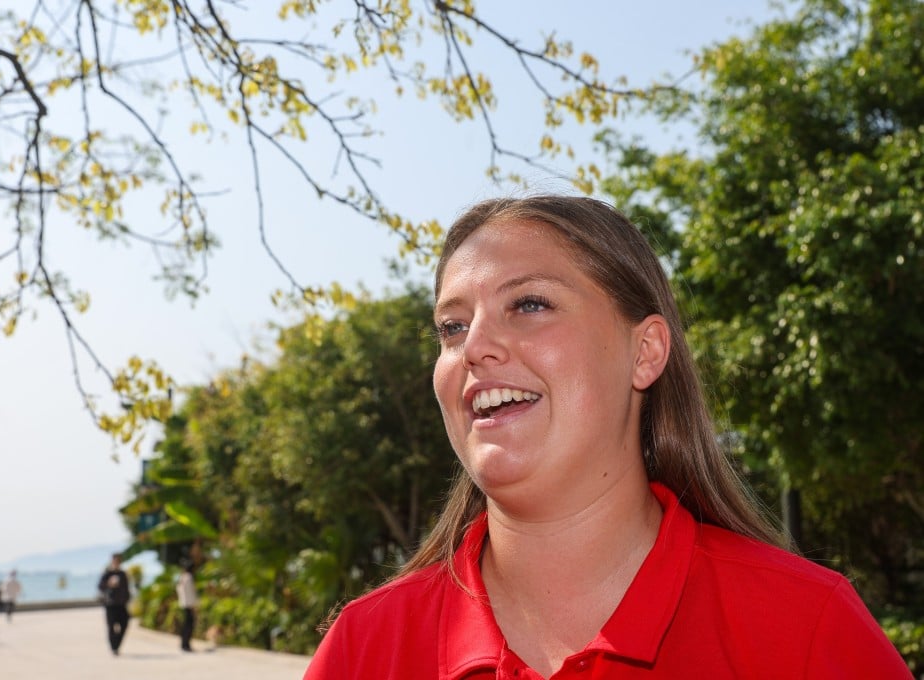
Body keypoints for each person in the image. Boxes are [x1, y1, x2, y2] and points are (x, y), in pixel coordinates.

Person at [304, 195, 912, 679]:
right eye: (452, 326)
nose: (475, 346)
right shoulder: (365, 648)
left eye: (530, 304)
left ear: (644, 352)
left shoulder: (805, 629)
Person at [98, 553, 131, 655]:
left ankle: (117, 644)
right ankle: (114, 647)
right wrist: (109, 584)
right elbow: (100, 587)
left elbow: (126, 588)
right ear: (112, 561)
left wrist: (127, 599)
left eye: (119, 561)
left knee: (124, 624)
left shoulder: (123, 574)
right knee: (111, 626)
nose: (117, 563)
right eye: (115, 561)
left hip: (121, 605)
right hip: (110, 605)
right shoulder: (107, 574)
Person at [175, 562, 198, 652]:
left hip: (183, 604)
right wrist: (194, 605)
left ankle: (184, 644)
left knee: (185, 625)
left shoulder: (182, 577)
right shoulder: (189, 577)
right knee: (189, 625)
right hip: (189, 604)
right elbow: (191, 593)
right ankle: (186, 644)